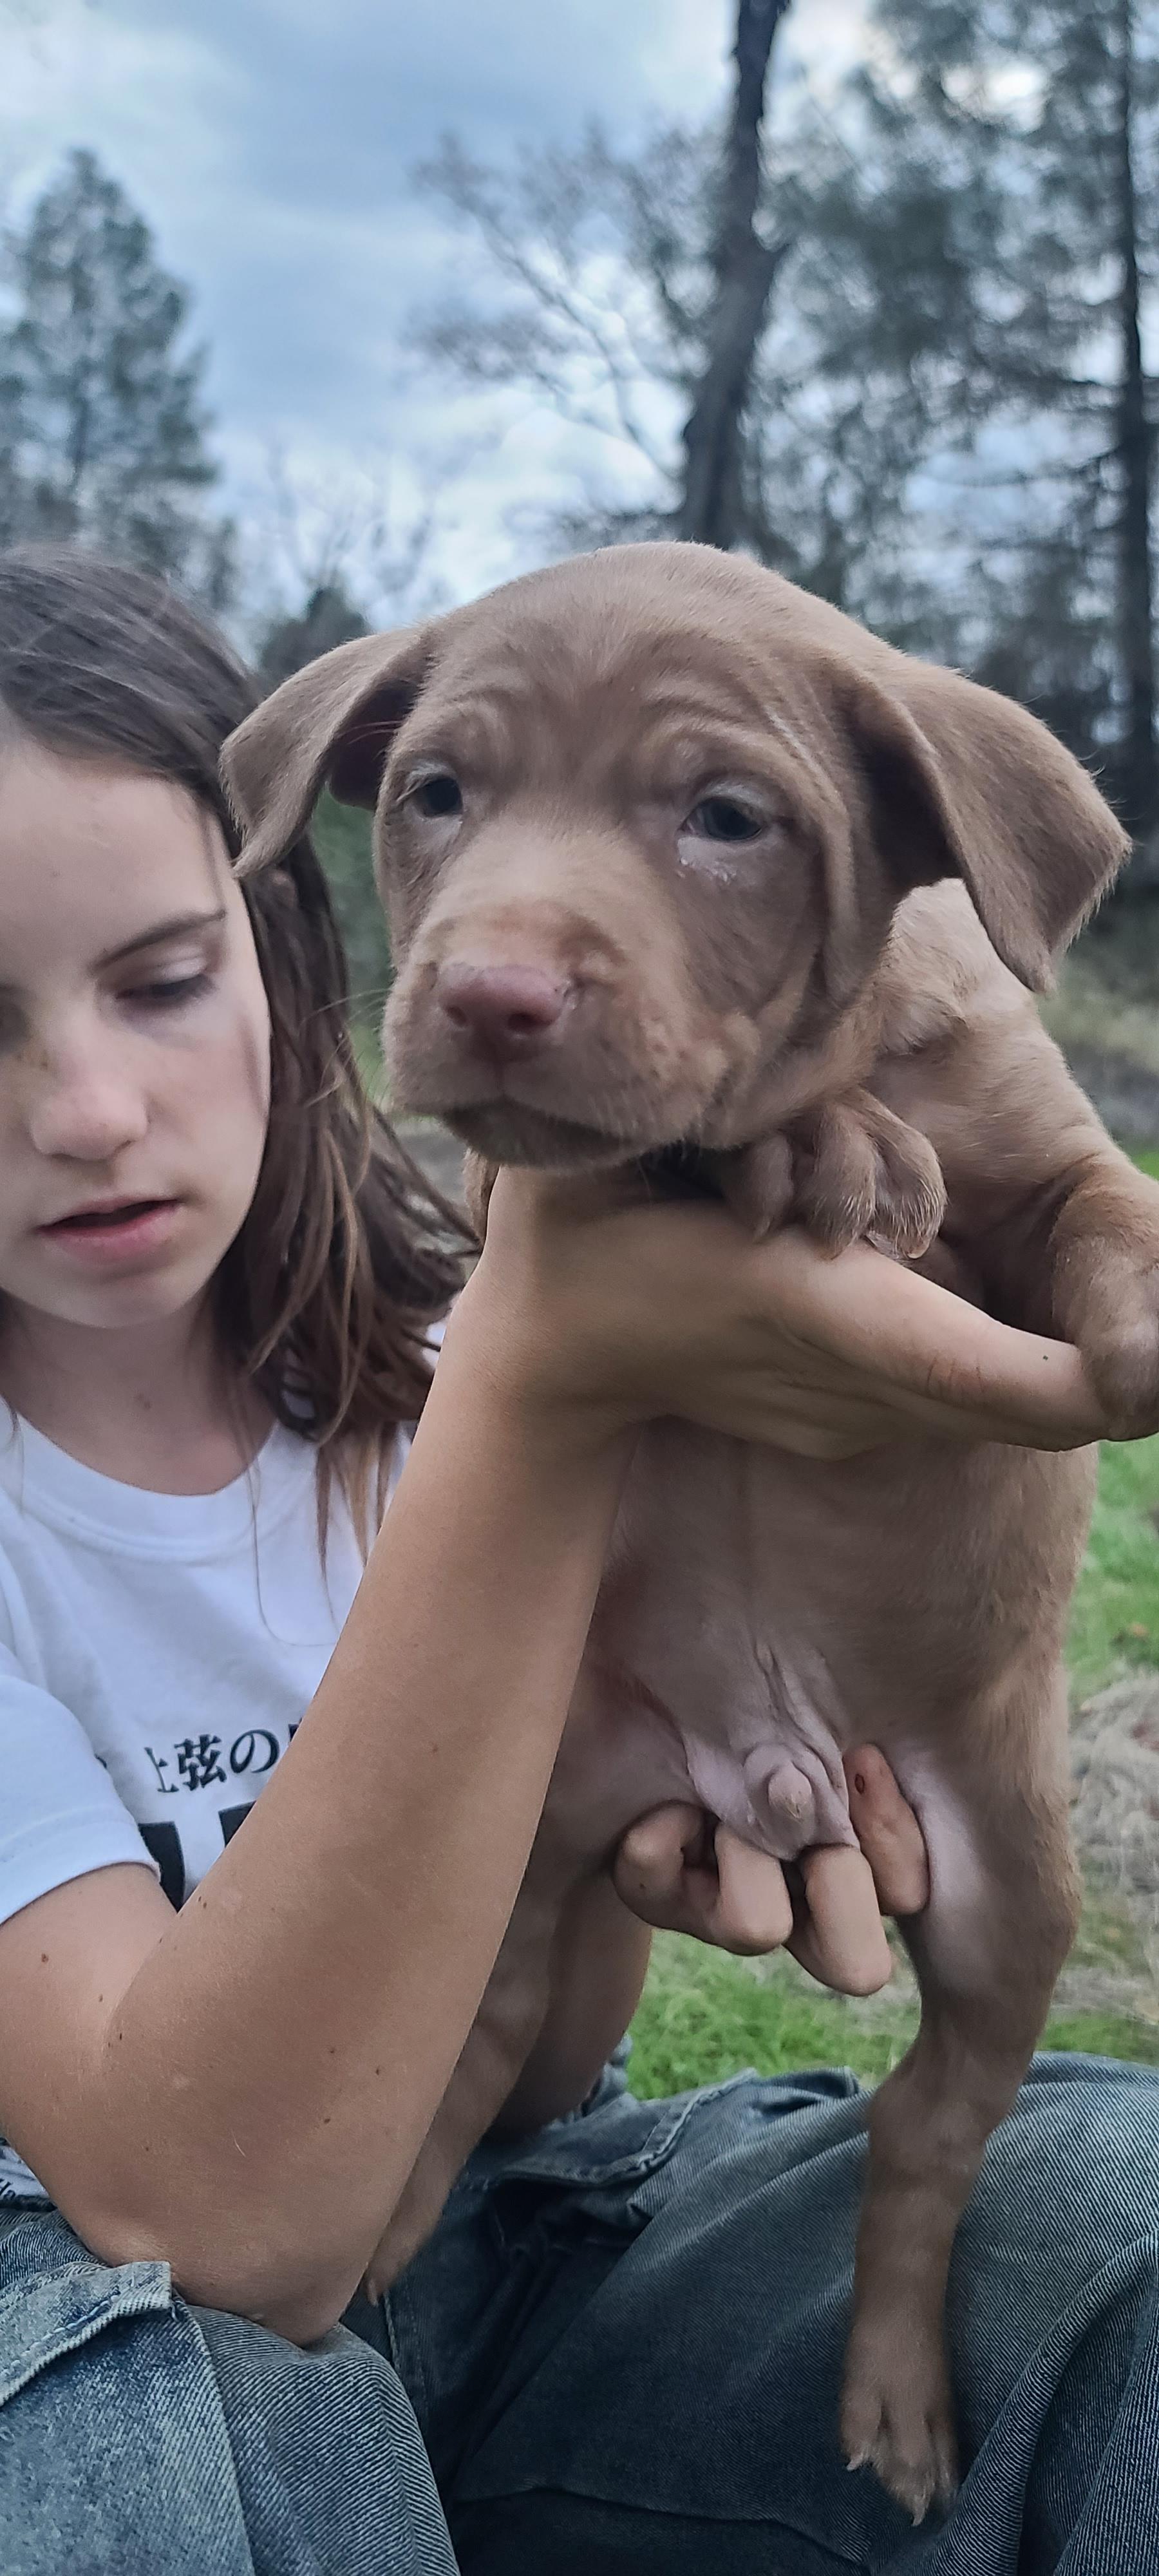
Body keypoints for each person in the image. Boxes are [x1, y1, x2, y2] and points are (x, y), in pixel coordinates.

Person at [0, 543, 1153, 2576]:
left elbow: (536, 2076)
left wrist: (651, 1831)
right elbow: (229, 2232)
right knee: (165, 2454)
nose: (85, 1110)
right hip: (130, 2318)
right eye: (444, 792)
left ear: (279, 943)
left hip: (538, 2233)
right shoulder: (534, 1337)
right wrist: (547, 1391)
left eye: (166, 981)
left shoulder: (456, 1324)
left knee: (1131, 2236)